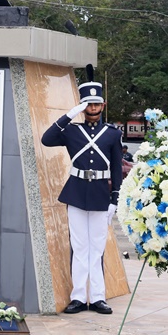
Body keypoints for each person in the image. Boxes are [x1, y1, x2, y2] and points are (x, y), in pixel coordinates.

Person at [41, 80, 123, 315]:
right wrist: (69, 115)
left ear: (103, 105)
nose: (93, 108)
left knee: (97, 248)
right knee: (79, 247)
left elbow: (116, 168)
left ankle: (97, 298)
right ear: (83, 106)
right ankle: (77, 297)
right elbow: (47, 139)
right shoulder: (72, 131)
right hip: (76, 193)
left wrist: (114, 199)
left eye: (96, 104)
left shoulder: (112, 134)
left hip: (100, 195)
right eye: (88, 104)